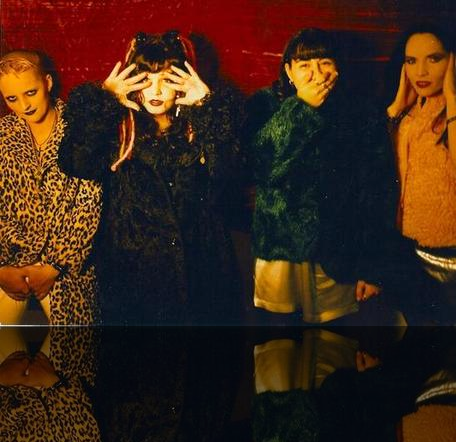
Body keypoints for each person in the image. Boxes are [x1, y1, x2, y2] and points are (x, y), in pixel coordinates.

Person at [59, 31, 241, 325]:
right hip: (134, 269)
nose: (155, 91)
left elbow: (228, 177)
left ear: (184, 80)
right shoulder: (119, 127)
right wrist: (104, 99)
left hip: (200, 266)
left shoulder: (198, 126)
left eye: (166, 80)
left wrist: (207, 106)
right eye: (145, 80)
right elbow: (76, 164)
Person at [244, 28, 403, 323]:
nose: (316, 74)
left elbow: (378, 191)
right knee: (277, 342)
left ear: (338, 67)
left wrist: (372, 267)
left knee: (335, 342)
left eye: (325, 62)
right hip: (279, 253)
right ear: (289, 71)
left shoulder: (361, 112)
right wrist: (301, 108)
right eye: (304, 65)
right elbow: (262, 168)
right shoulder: (264, 105)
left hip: (340, 253)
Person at [0, 50, 102, 325]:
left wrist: (54, 267)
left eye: (30, 92)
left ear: (47, 82)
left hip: (67, 269)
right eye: (12, 98)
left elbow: (89, 204)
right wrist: (2, 270)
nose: (24, 105)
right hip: (10, 263)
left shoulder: (79, 129)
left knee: (74, 348)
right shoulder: (3, 134)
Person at [386, 22, 456, 320]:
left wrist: (452, 99)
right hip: (410, 251)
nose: (421, 71)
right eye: (411, 61)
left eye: (434, 59)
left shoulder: (451, 111)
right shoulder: (409, 113)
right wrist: (396, 108)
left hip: (450, 257)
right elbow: (377, 168)